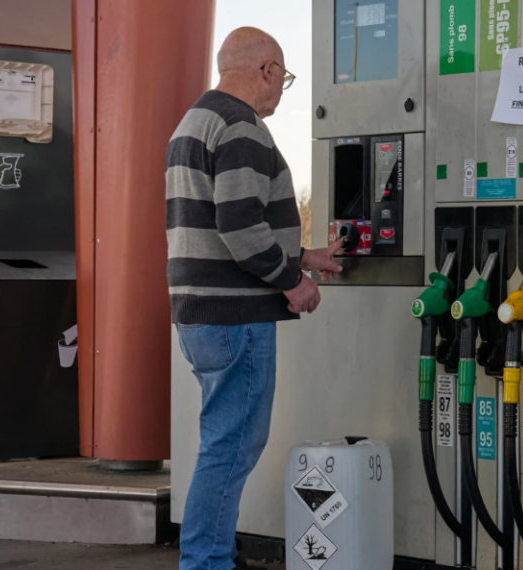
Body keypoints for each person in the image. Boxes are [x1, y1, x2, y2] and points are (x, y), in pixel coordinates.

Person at [165, 27, 345, 570]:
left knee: (224, 442)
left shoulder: (195, 121)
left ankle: (210, 553)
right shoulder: (241, 126)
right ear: (265, 69)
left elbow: (220, 222)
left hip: (202, 314)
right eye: (284, 78)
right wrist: (292, 282)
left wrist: (303, 255)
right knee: (231, 446)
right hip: (235, 315)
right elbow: (240, 227)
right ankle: (206, 561)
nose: (282, 91)